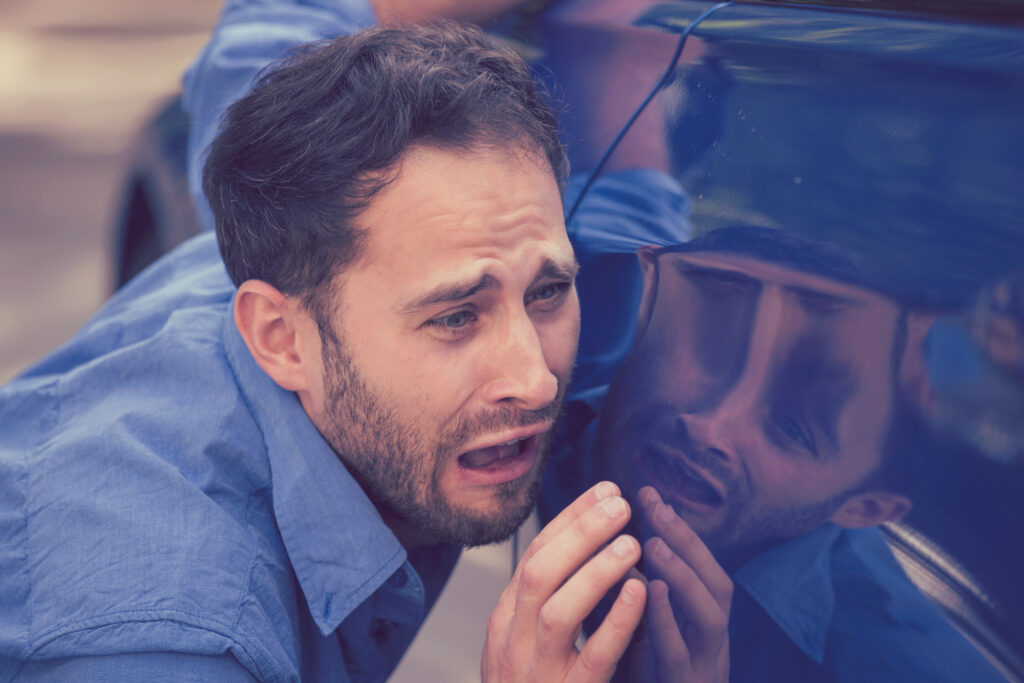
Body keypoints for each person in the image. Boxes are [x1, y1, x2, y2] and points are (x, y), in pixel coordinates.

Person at [0, 20, 648, 682]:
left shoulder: (303, 243)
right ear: (280, 339)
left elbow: (279, 29)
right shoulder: (170, 640)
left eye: (547, 291)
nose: (533, 379)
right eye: (456, 316)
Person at [540, 224, 1007, 681]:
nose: (710, 426)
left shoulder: (893, 666)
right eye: (714, 348)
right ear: (649, 299)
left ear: (867, 506)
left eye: (792, 427)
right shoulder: (501, 424)